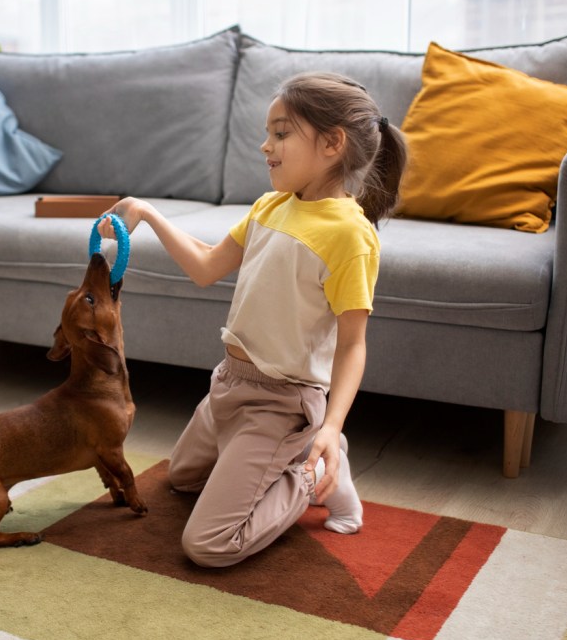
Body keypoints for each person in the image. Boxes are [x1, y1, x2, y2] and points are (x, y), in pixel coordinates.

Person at [97, 71, 407, 568]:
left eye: (281, 134)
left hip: (281, 403)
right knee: (181, 478)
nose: (266, 146)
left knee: (209, 544)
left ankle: (313, 469)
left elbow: (352, 345)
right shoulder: (269, 207)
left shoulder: (350, 235)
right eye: (268, 134)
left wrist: (330, 425)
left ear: (332, 143)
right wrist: (149, 214)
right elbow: (205, 266)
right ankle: (292, 455)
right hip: (228, 385)